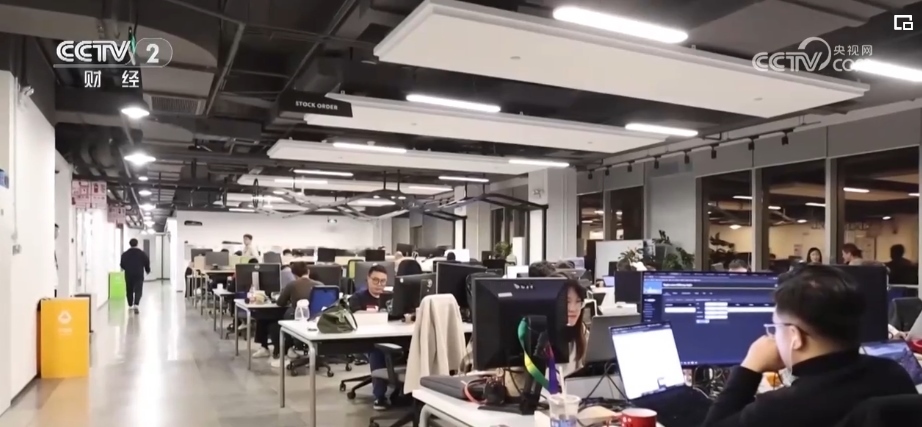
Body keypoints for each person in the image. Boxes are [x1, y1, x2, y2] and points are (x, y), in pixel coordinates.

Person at [700, 265, 917, 427]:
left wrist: (750, 368)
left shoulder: (779, 409)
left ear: (795, 336)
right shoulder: (892, 373)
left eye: (776, 327)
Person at [348, 265, 391, 410]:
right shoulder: (358, 297)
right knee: (378, 351)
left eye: (383, 281)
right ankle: (380, 396)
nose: (379, 284)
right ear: (368, 279)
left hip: (390, 336)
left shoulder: (392, 297)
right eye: (375, 280)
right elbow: (355, 314)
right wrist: (379, 315)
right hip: (364, 341)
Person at [263, 262, 322, 367]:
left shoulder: (292, 284)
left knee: (274, 325)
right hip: (317, 320)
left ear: (294, 274)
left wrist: (290, 300)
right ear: (308, 271)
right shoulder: (320, 285)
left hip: (299, 319)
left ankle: (285, 351)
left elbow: (280, 303)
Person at [556, 279, 588, 378]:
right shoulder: (541, 336)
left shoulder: (582, 331)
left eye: (578, 301)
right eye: (567, 301)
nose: (573, 309)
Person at [119, 238, 150, 313]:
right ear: (137, 244)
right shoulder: (142, 253)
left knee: (129, 289)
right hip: (138, 273)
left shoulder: (125, 254)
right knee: (138, 289)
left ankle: (130, 304)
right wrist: (147, 270)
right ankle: (136, 304)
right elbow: (146, 262)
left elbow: (122, 264)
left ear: (130, 244)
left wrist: (126, 268)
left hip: (129, 273)